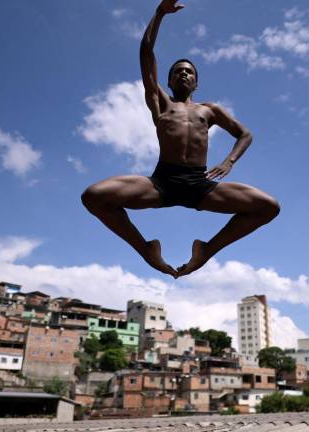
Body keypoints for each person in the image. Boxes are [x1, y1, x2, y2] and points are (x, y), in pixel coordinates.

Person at [81, 0, 280, 278]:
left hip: (199, 184)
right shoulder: (161, 102)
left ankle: (207, 250)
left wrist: (229, 162)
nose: (183, 73)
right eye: (177, 71)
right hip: (162, 182)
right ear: (169, 81)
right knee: (94, 196)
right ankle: (146, 249)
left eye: (189, 71)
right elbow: (146, 51)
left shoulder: (209, 110)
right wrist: (160, 13)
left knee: (268, 207)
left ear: (196, 82)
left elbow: (244, 134)